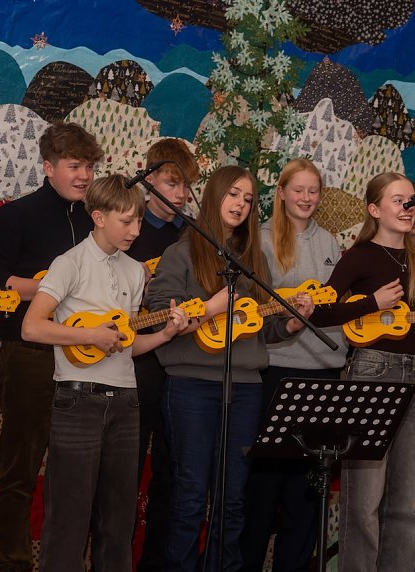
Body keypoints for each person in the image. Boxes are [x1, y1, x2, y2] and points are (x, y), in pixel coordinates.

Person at [144, 165, 315, 571]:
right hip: (190, 387)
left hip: (245, 388)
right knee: (189, 494)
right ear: (214, 196)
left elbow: (264, 328)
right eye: (234, 194)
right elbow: (156, 315)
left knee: (233, 496)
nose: (241, 204)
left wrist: (289, 322)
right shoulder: (180, 253)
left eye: (249, 199)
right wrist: (209, 308)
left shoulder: (252, 261)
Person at [21, 174, 188, 570]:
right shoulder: (69, 263)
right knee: (69, 517)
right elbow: (32, 326)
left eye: (139, 221)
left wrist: (165, 333)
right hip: (78, 399)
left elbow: (128, 345)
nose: (135, 230)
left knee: (118, 518)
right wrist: (91, 336)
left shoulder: (135, 271)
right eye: (126, 221)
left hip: (126, 402)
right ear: (98, 216)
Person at [0, 121, 104, 572]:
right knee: (19, 472)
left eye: (88, 166)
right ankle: (8, 565)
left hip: (89, 360)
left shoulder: (98, 220)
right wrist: (48, 291)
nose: (83, 175)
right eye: (73, 166)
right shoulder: (17, 215)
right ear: (48, 167)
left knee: (77, 476)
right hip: (29, 358)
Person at [239, 159, 348, 570]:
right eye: (298, 189)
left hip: (325, 375)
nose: (305, 198)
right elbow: (251, 311)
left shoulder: (331, 244)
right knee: (265, 487)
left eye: (313, 191)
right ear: (281, 192)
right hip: (278, 374)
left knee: (307, 491)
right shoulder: (262, 240)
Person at [309, 172, 415, 571]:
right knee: (364, 501)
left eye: (412, 201)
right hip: (374, 371)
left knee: (407, 503)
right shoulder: (359, 256)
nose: (409, 208)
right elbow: (323, 309)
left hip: (414, 372)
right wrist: (371, 302)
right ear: (375, 209)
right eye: (400, 201)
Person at [125, 138, 200, 571]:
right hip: (136, 362)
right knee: (126, 473)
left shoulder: (193, 234)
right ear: (149, 177)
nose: (180, 194)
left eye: (186, 186)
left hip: (181, 362)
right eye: (173, 182)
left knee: (173, 476)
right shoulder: (128, 229)